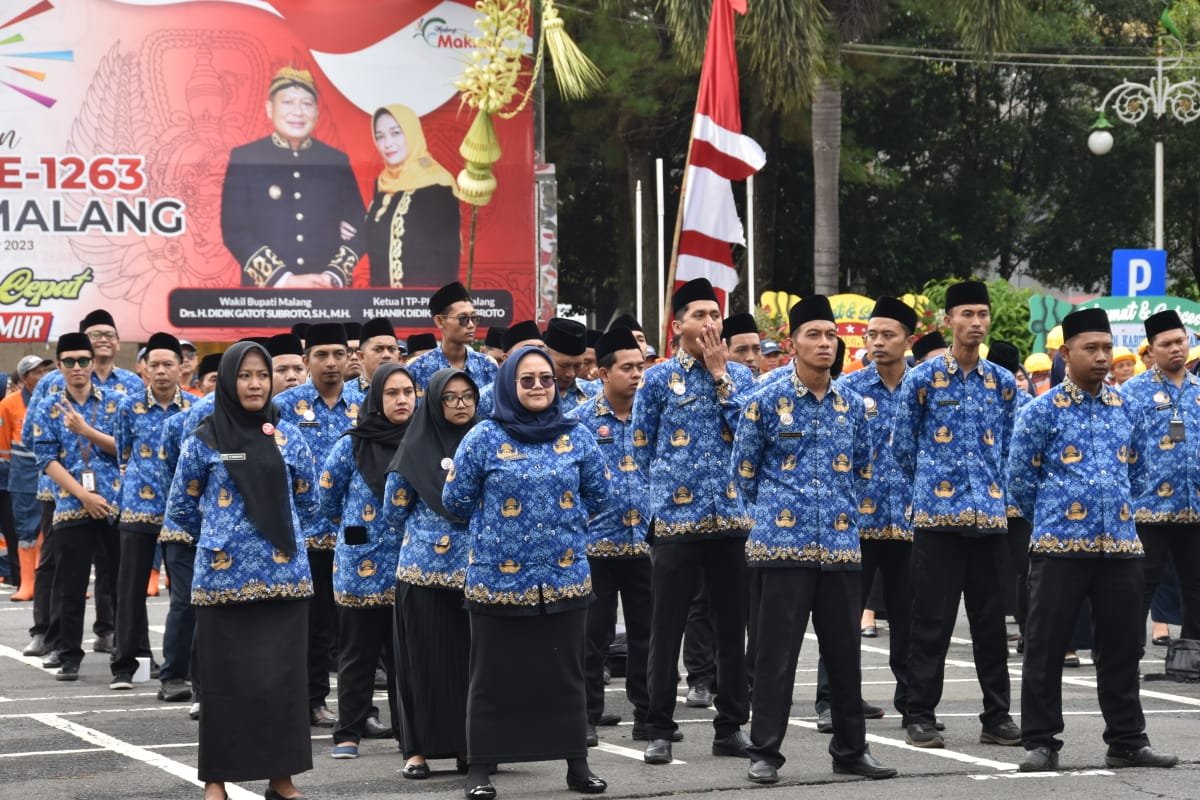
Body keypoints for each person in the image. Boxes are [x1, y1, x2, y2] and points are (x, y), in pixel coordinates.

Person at [734, 295, 896, 784]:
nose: (824, 343)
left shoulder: (853, 405)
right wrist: (769, 522)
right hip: (782, 548)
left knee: (844, 655)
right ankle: (765, 752)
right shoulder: (765, 400)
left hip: (842, 548)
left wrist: (846, 516)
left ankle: (851, 749)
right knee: (775, 656)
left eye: (830, 335)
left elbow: (865, 468)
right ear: (792, 343)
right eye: (813, 335)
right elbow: (743, 473)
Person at [1008, 308, 1178, 772]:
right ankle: (1041, 741)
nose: (1102, 357)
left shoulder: (1127, 405)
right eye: (1091, 348)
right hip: (1059, 548)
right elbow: (1019, 478)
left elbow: (1140, 469)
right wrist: (1056, 515)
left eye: (1107, 348)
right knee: (1045, 648)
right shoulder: (1041, 410)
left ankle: (1127, 740)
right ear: (1066, 353)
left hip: (1122, 547)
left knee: (1122, 648)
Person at [443, 346, 611, 799]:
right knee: (491, 677)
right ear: (508, 386)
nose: (538, 387)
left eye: (545, 379)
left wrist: (561, 530)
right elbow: (455, 501)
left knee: (565, 676)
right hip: (497, 582)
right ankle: (479, 769)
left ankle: (577, 765)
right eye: (527, 380)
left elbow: (601, 496)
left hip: (564, 579)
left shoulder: (577, 437)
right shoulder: (481, 438)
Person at [165, 341, 317, 800]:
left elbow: (309, 503)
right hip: (222, 583)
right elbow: (181, 508)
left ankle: (281, 778)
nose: (254, 384)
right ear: (229, 381)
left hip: (284, 581)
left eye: (261, 376)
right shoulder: (205, 438)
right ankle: (216, 780)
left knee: (282, 685)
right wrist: (223, 537)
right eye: (244, 376)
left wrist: (279, 541)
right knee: (225, 685)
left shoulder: (288, 436)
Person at [892, 280, 1021, 749]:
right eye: (967, 314)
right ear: (949, 321)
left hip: (988, 522)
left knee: (990, 624)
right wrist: (930, 491)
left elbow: (1010, 449)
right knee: (931, 622)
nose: (976, 323)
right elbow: (902, 445)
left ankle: (997, 717)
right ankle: (920, 714)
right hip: (937, 522)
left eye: (983, 314)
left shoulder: (1002, 383)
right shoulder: (924, 379)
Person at [634, 278, 754, 765]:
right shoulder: (659, 379)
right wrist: (662, 503)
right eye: (699, 314)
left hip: (730, 520)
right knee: (666, 628)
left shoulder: (741, 378)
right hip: (676, 524)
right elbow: (639, 448)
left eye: (714, 314)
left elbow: (748, 435)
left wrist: (721, 374)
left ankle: (730, 727)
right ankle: (659, 727)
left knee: (732, 629)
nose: (709, 323)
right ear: (677, 324)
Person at [386, 367, 479, 778]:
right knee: (421, 667)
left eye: (467, 397)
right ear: (435, 403)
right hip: (422, 575)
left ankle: (466, 746)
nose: (460, 405)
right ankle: (417, 751)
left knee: (468, 665)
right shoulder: (413, 451)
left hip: (475, 575)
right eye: (450, 398)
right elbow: (393, 512)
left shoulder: (485, 444)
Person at [320, 363, 414, 759]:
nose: (402, 400)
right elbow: (328, 498)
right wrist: (358, 530)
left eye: (408, 392)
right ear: (376, 398)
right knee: (357, 654)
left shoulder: (423, 441)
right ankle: (348, 733)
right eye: (392, 393)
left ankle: (409, 734)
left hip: (411, 565)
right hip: (361, 565)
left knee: (404, 657)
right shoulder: (353, 443)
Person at [832, 297, 918, 723]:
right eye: (872, 335)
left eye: (888, 335)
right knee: (842, 617)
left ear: (909, 339)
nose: (878, 343)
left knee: (910, 618)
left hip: (910, 522)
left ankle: (913, 702)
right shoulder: (848, 390)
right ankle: (835, 701)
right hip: (857, 523)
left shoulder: (924, 388)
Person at [566, 329, 652, 745]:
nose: (638, 374)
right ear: (603, 372)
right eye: (628, 367)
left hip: (648, 544)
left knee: (648, 634)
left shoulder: (654, 414)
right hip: (596, 545)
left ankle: (650, 714)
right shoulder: (580, 421)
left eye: (642, 366)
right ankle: (586, 716)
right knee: (591, 637)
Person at [274, 322, 358, 728]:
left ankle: (359, 710)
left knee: (353, 627)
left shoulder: (364, 403)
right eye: (321, 356)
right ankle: (308, 700)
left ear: (348, 359)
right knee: (309, 625)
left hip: (355, 535)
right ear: (306, 361)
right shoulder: (285, 406)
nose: (330, 363)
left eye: (338, 355)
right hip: (304, 536)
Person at [221, 67, 364, 288]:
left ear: (317, 112)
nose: (298, 112)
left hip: (327, 294)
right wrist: (284, 280)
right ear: (269, 109)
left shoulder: (335, 160)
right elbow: (235, 230)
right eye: (287, 102)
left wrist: (332, 276)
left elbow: (360, 226)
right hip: (267, 298)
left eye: (307, 104)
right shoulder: (245, 158)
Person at [32, 332, 122, 681]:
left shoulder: (116, 402)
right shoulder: (49, 404)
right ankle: (69, 655)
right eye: (69, 361)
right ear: (59, 366)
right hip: (71, 503)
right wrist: (83, 495)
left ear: (92, 361)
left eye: (83, 360)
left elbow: (125, 449)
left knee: (120, 583)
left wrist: (87, 431)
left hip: (114, 503)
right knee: (71, 586)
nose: (77, 367)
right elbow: (46, 458)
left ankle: (129, 655)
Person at [110, 334, 193, 693]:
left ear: (181, 367)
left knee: (184, 593)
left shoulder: (194, 408)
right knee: (130, 590)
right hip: (137, 510)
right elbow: (122, 456)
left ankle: (181, 667)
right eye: (154, 365)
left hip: (181, 513)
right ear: (143, 368)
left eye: (168, 364)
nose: (161, 371)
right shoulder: (129, 407)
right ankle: (126, 665)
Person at [1121, 310, 1200, 642]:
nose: (1175, 349)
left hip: (1194, 506)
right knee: (1140, 585)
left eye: (1180, 341)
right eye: (1166, 344)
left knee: (1196, 585)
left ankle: (1192, 655)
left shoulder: (1199, 388)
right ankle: (1125, 655)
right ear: (1151, 351)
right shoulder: (1132, 391)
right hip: (1148, 508)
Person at [366, 104, 461, 287]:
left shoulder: (437, 183)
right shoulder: (382, 182)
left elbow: (447, 262)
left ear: (411, 132)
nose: (387, 144)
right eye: (380, 136)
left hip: (419, 306)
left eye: (395, 133)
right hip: (379, 305)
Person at [2, 355, 51, 602]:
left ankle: (54, 580)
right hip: (22, 474)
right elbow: (3, 447)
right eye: (36, 372)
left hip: (52, 471)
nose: (42, 375)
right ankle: (27, 582)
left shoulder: (57, 400)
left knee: (54, 528)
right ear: (23, 378)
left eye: (44, 370)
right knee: (26, 528)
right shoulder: (8, 404)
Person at [406, 282, 498, 393]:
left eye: (474, 318)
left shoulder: (488, 366)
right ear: (440, 321)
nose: (471, 325)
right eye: (463, 318)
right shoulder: (417, 369)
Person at [544, 318, 591, 409]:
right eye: (563, 365)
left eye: (578, 366)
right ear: (545, 356)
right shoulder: (530, 394)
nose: (571, 374)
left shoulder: (595, 395)